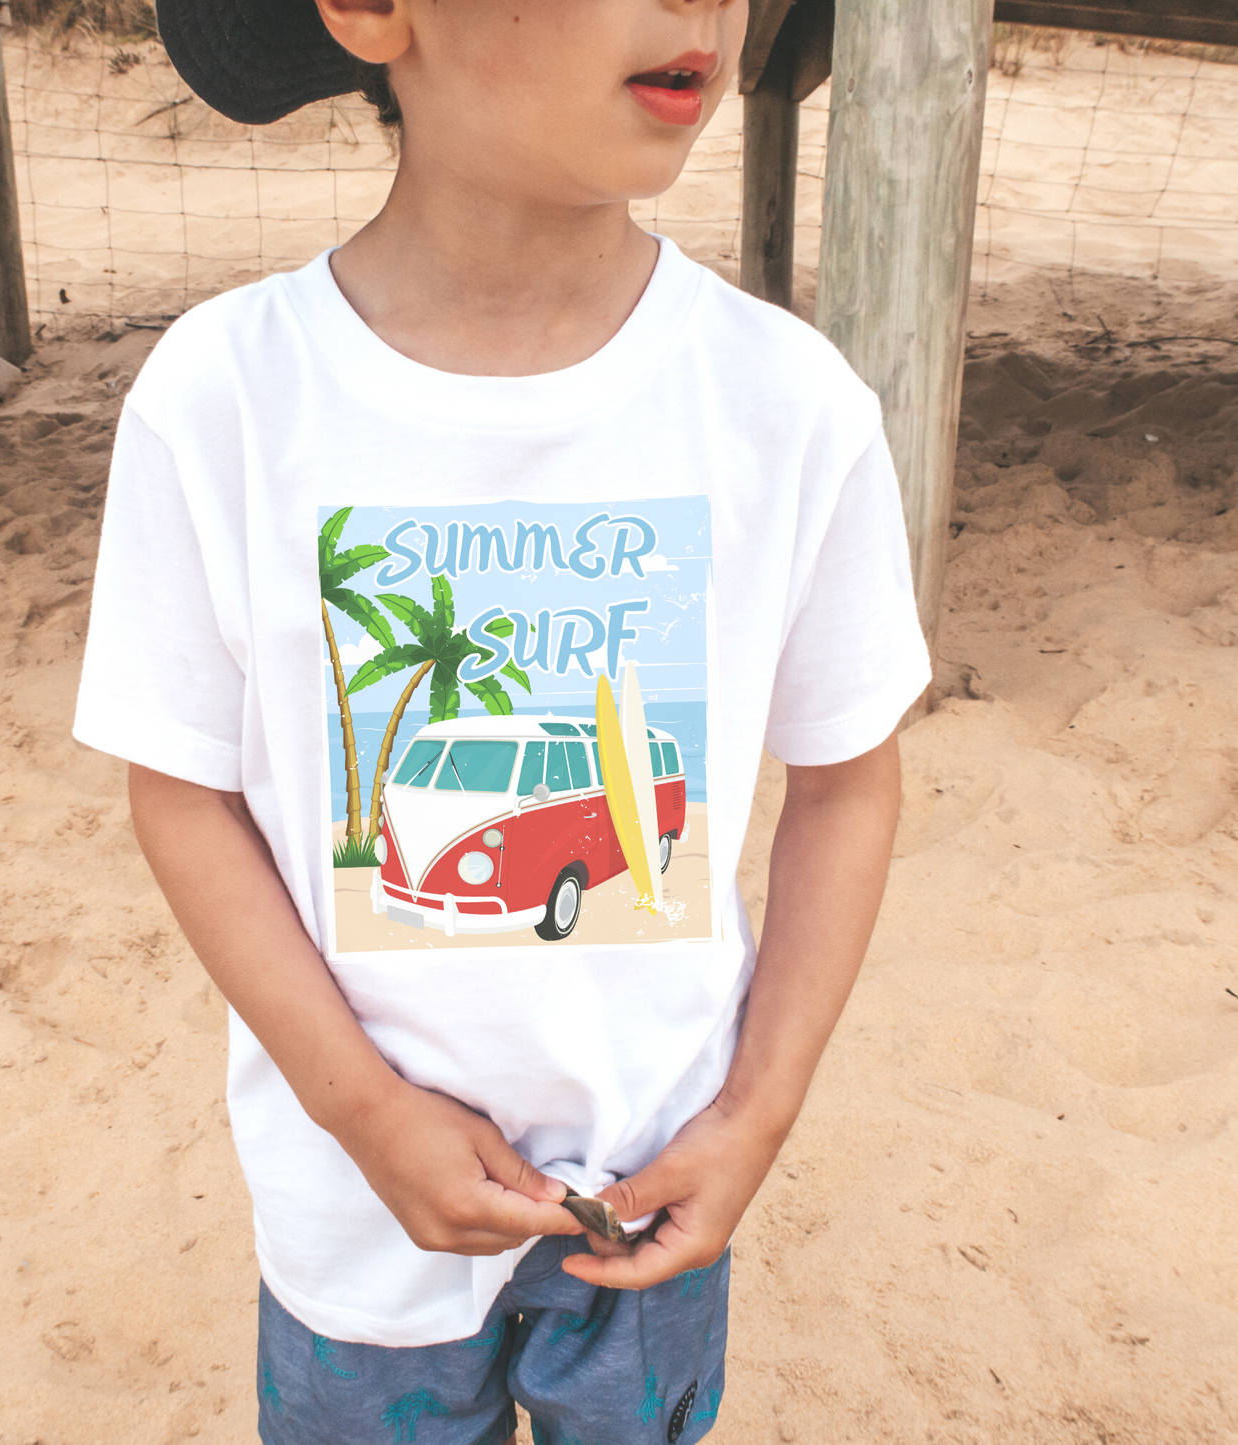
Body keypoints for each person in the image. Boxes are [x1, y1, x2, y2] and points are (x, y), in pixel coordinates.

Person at [73, 0, 931, 1440]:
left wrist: (756, 1112)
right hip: (356, 1208)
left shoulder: (787, 404)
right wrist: (362, 1109)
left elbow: (848, 782)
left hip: (657, 1193)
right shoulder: (221, 397)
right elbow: (184, 797)